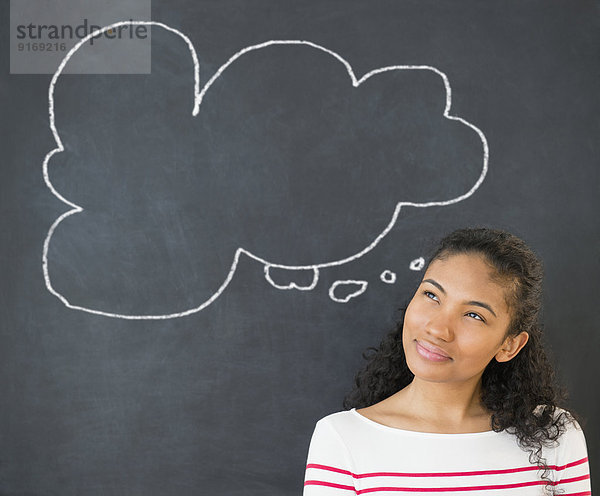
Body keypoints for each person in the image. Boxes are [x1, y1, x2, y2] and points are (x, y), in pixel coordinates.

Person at [303, 227, 591, 496]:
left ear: (509, 345)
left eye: (474, 315)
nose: (438, 329)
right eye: (431, 295)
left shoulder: (556, 436)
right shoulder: (342, 438)